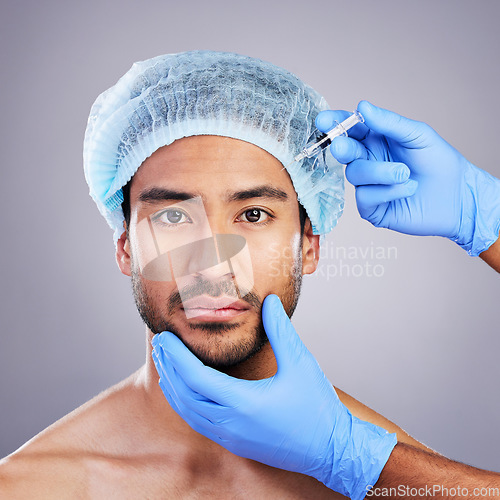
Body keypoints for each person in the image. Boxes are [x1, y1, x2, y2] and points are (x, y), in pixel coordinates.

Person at [0, 50, 496, 499]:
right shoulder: (28, 488)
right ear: (126, 246)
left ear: (309, 244)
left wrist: (490, 223)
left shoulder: (396, 480)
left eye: (253, 214)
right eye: (173, 217)